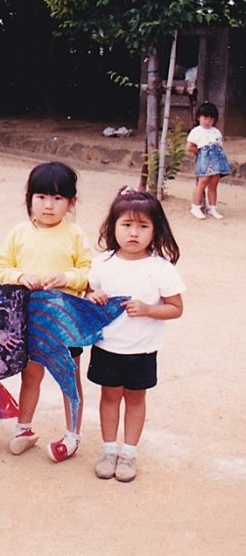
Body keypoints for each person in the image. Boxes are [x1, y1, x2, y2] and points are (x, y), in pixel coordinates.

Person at [0, 161, 92, 462]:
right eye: (41, 197)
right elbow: (0, 268)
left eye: (57, 198)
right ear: (29, 198)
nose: (48, 205)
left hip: (65, 322)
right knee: (31, 376)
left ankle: (72, 435)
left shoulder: (75, 235)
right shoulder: (19, 233)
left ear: (71, 202)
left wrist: (67, 278)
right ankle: (23, 429)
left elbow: (88, 272)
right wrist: (19, 276)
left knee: (69, 378)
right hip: (30, 320)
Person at [87, 187, 184, 482]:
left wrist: (148, 309)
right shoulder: (102, 263)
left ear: (155, 230)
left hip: (142, 349)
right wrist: (93, 296)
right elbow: (88, 293)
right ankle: (108, 451)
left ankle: (128, 453)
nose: (133, 233)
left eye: (143, 226)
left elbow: (176, 308)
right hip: (107, 346)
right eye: (126, 224)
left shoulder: (160, 268)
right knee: (109, 397)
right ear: (113, 226)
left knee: (135, 399)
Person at [186, 102, 232, 220]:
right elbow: (189, 146)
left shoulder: (216, 132)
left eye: (211, 119)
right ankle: (195, 206)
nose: (208, 121)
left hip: (217, 159)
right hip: (205, 158)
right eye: (205, 118)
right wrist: (201, 154)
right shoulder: (196, 131)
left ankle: (212, 207)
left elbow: (219, 146)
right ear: (198, 117)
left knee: (214, 183)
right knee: (203, 181)